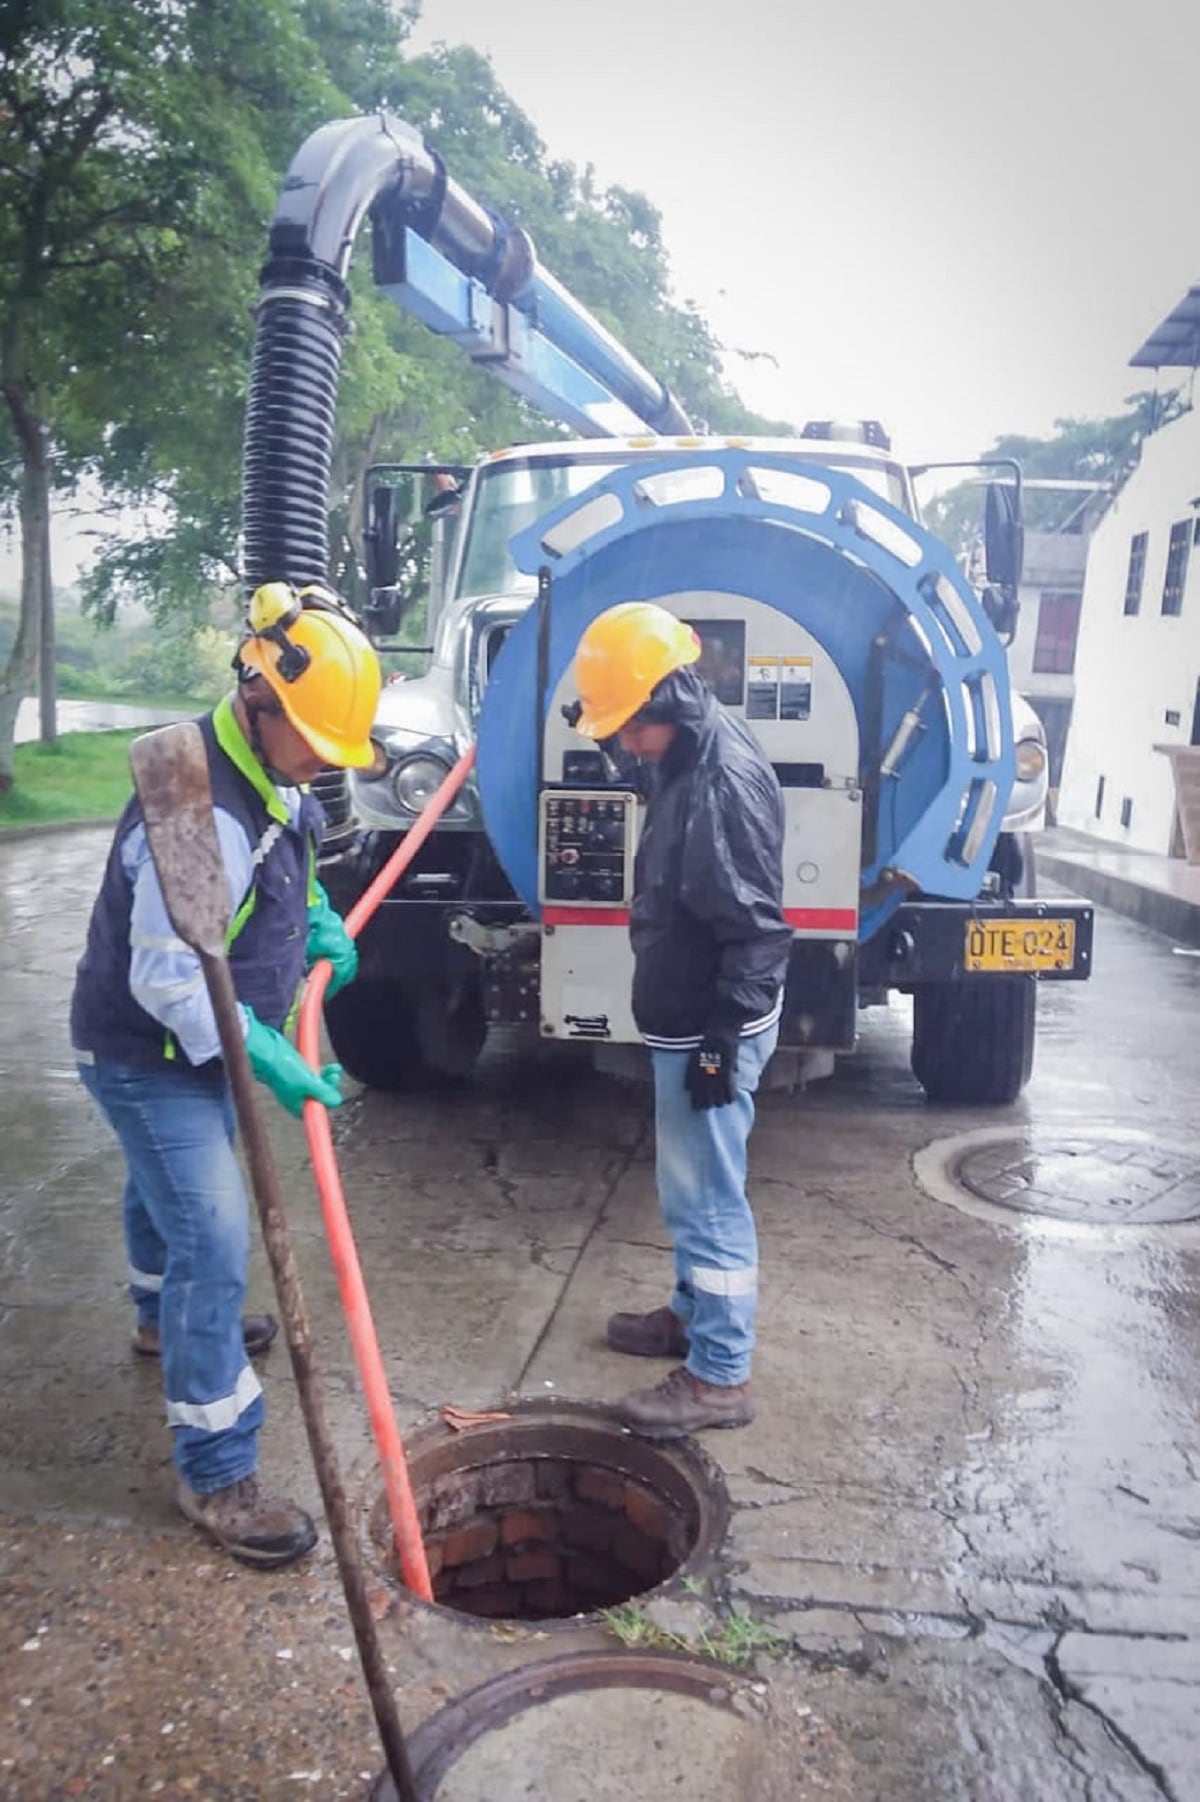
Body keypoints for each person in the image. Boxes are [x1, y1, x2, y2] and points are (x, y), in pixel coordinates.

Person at [70, 583, 381, 1567]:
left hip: (195, 1038)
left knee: (162, 1184)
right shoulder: (192, 805)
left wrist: (315, 918)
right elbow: (167, 976)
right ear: (259, 698)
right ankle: (216, 1470)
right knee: (213, 1228)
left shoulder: (271, 772)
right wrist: (264, 1047)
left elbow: (289, 851)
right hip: (141, 1046)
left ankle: (158, 1321)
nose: (323, 766)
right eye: (315, 742)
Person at [570, 601, 792, 1439]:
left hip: (709, 1018)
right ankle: (689, 1314)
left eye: (631, 726)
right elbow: (643, 774)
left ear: (670, 698)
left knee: (706, 1197)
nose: (627, 743)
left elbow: (758, 934)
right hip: (689, 1009)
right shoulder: (687, 743)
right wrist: (602, 734)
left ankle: (718, 1375)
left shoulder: (719, 787)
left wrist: (720, 1046)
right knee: (687, 1186)